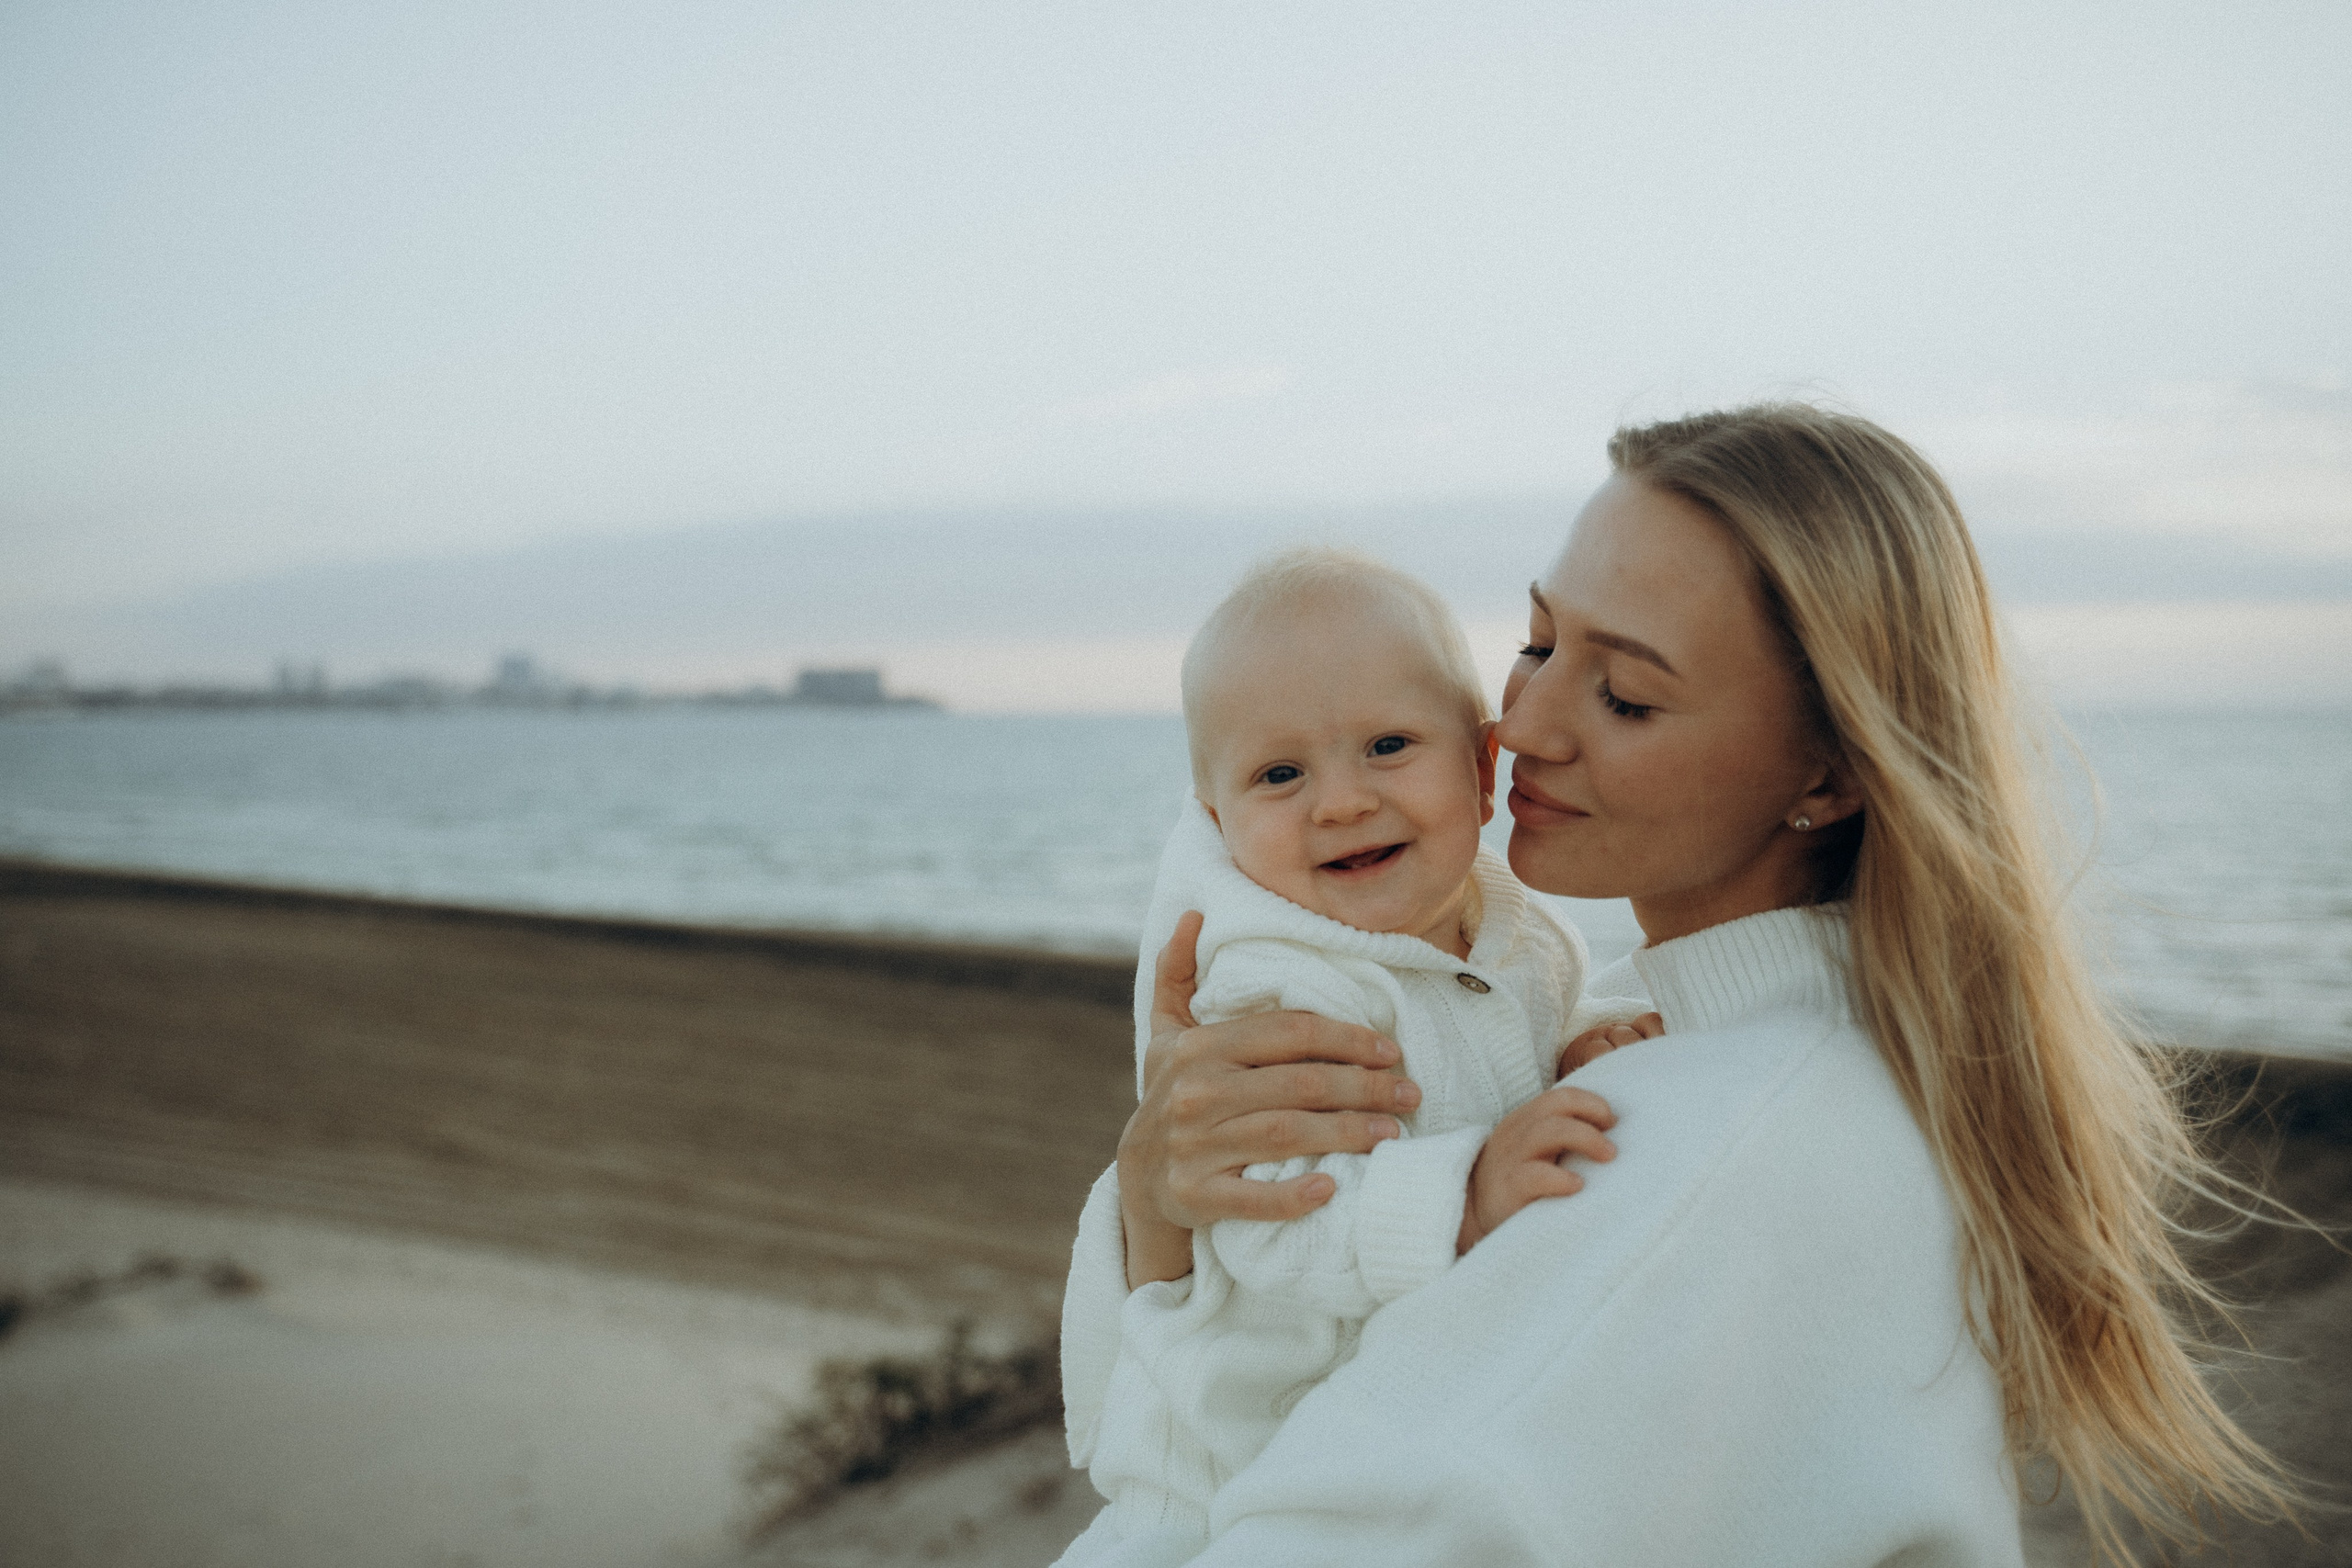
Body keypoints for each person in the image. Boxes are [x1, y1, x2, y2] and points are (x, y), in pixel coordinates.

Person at [1086, 404, 2294, 1565]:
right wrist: (1158, 1206)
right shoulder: (1728, 1048)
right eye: (1540, 641)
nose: (1524, 726)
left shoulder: (1677, 1152)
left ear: (1824, 777)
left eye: (1625, 693)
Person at [1059, 548, 1654, 1565]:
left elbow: (1509, 1038)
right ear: (1216, 820)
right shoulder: (1272, 990)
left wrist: (1580, 1042)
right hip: (1224, 1467)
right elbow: (1274, 1213)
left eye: (1387, 746)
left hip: (1384, 1443)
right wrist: (1465, 1195)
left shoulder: (1512, 927)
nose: (1339, 802)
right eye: (1279, 774)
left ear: (1479, 771)